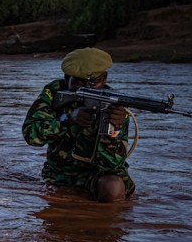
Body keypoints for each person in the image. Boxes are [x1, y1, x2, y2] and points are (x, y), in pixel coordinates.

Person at [22, 47, 133, 202]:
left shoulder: (114, 107)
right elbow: (31, 135)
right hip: (59, 174)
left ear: (104, 79)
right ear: (67, 78)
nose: (86, 89)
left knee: (112, 187)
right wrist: (67, 120)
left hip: (95, 174)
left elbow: (110, 165)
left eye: (92, 83)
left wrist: (114, 129)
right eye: (78, 82)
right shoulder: (54, 93)